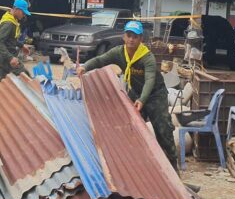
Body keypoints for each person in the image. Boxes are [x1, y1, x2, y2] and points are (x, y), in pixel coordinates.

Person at [76, 21, 177, 168]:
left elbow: (150, 80)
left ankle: (173, 167)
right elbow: (100, 60)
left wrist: (142, 100)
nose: (131, 39)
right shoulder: (118, 52)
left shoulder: (147, 57)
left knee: (163, 130)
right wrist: (85, 67)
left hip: (155, 95)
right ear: (124, 36)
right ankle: (139, 166)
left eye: (135, 37)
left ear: (141, 39)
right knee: (132, 129)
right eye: (129, 35)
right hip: (135, 92)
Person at [0, 0, 32, 80]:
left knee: (4, 83)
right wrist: (10, 58)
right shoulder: (8, 23)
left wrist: (21, 46)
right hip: (6, 58)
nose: (23, 15)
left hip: (4, 57)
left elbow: (11, 39)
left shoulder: (13, 20)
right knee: (25, 76)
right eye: (23, 12)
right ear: (17, 10)